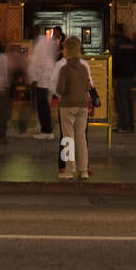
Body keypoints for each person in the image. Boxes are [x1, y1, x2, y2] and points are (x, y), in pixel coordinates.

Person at [56, 37, 92, 179]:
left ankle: (69, 170)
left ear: (67, 50)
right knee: (81, 137)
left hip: (68, 105)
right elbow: (87, 86)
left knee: (68, 138)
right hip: (82, 105)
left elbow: (60, 89)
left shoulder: (64, 69)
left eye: (64, 48)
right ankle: (84, 170)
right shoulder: (84, 68)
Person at [29, 28, 59, 139]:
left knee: (43, 105)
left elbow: (38, 63)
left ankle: (46, 130)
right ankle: (43, 128)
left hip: (43, 80)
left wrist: (34, 78)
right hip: (48, 78)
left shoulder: (41, 45)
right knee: (44, 104)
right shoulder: (46, 43)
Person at [110, 24, 136, 133]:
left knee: (121, 101)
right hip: (130, 75)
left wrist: (113, 75)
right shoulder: (131, 42)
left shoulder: (117, 43)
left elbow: (116, 60)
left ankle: (123, 125)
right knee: (129, 100)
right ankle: (130, 124)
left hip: (120, 75)